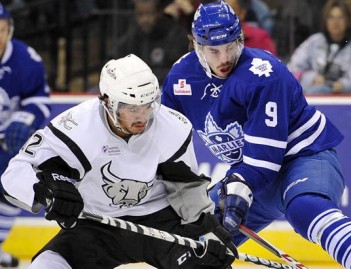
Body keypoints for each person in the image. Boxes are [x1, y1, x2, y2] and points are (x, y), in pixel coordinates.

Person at [161, 1, 351, 269]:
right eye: (214, 50)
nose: (224, 59)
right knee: (192, 245)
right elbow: (163, 144)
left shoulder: (263, 73)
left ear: (241, 38)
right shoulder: (181, 79)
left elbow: (265, 160)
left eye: (231, 46)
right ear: (196, 45)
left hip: (302, 158)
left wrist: (235, 190)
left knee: (306, 209)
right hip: (251, 177)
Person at [1, 54, 236, 269]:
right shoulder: (75, 127)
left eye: (147, 105)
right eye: (132, 108)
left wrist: (206, 229)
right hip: (96, 224)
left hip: (160, 221)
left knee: (209, 265)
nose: (142, 117)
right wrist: (46, 192)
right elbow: (15, 173)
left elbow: (186, 186)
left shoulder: (173, 126)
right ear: (107, 102)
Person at [0, 3, 51, 267]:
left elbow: (40, 99)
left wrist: (25, 117)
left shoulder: (25, 59)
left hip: (7, 143)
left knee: (8, 190)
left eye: (1, 30)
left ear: (10, 30)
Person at [287, 0, 351, 94]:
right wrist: (312, 78)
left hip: (346, 98)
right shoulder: (314, 42)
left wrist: (345, 85)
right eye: (331, 17)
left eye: (340, 17)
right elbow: (292, 68)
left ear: (348, 20)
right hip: (314, 94)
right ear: (325, 20)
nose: (335, 22)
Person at [113, 0, 189, 83]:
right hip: (135, 88)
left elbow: (177, 71)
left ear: (159, 13)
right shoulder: (132, 37)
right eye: (140, 14)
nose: (145, 19)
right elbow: (116, 65)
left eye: (149, 13)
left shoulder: (177, 36)